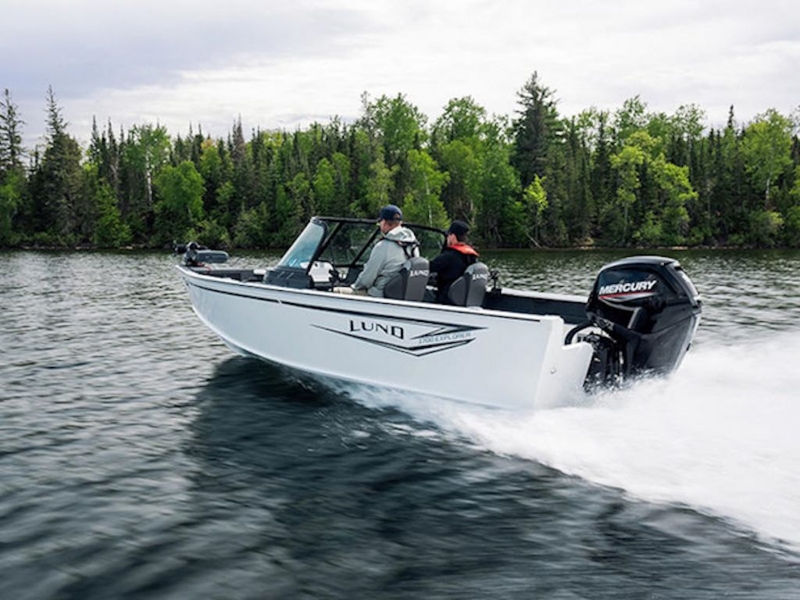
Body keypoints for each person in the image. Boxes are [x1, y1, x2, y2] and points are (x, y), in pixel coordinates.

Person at [346, 204, 419, 297]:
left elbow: (366, 280)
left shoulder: (383, 246)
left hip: (379, 295)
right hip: (403, 296)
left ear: (383, 222)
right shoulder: (413, 245)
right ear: (400, 223)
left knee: (335, 291)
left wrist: (354, 286)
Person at [429, 220, 479, 304]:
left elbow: (427, 268)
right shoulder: (471, 256)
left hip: (446, 301)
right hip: (464, 299)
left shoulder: (448, 256)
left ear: (452, 236)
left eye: (448, 236)